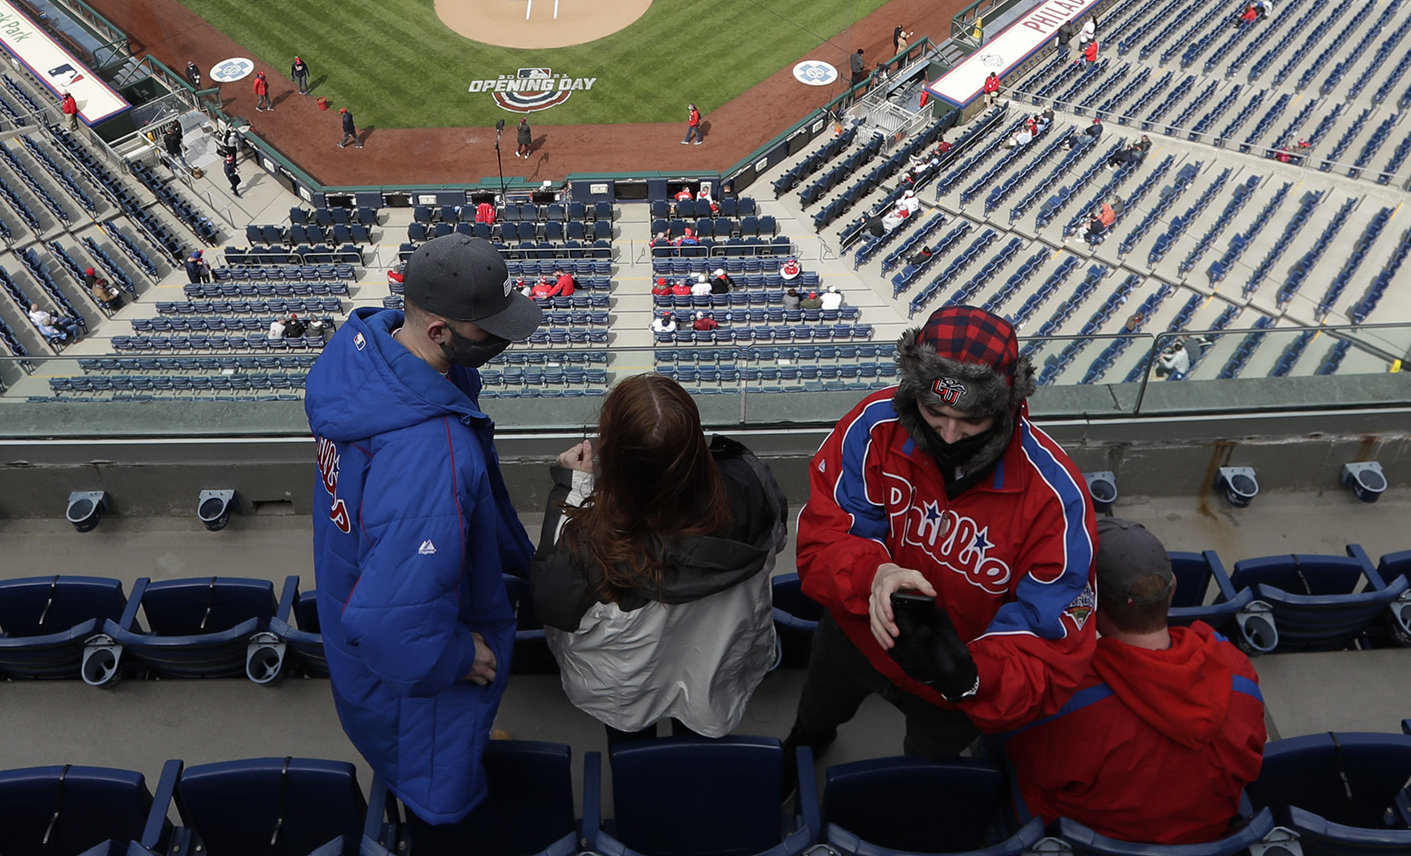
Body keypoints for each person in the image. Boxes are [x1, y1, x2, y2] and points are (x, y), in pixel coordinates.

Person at [788, 305, 1098, 767]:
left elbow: (1054, 637)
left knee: (925, 769)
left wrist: (972, 676)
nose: (950, 435)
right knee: (814, 717)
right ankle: (804, 748)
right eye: (934, 411)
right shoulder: (874, 429)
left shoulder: (1055, 498)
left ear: (1005, 407)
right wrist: (875, 575)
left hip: (951, 687)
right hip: (856, 639)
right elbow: (824, 535)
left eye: (971, 420)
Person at [304, 234, 544, 825]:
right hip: (412, 681)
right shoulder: (429, 452)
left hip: (362, 604)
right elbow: (390, 623)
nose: (502, 338)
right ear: (440, 331)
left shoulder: (373, 356)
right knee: (440, 788)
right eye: (488, 328)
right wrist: (457, 657)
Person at [532, 376, 787, 747]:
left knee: (634, 759)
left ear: (616, 458)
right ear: (695, 445)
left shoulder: (589, 540)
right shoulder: (751, 483)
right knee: (698, 748)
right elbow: (775, 541)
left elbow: (549, 600)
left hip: (630, 687)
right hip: (712, 670)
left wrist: (570, 488)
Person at [1004, 518, 1265, 845]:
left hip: (1090, 843)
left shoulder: (1063, 700)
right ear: (1173, 586)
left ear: (1089, 601)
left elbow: (1017, 749)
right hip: (1204, 841)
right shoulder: (1237, 671)